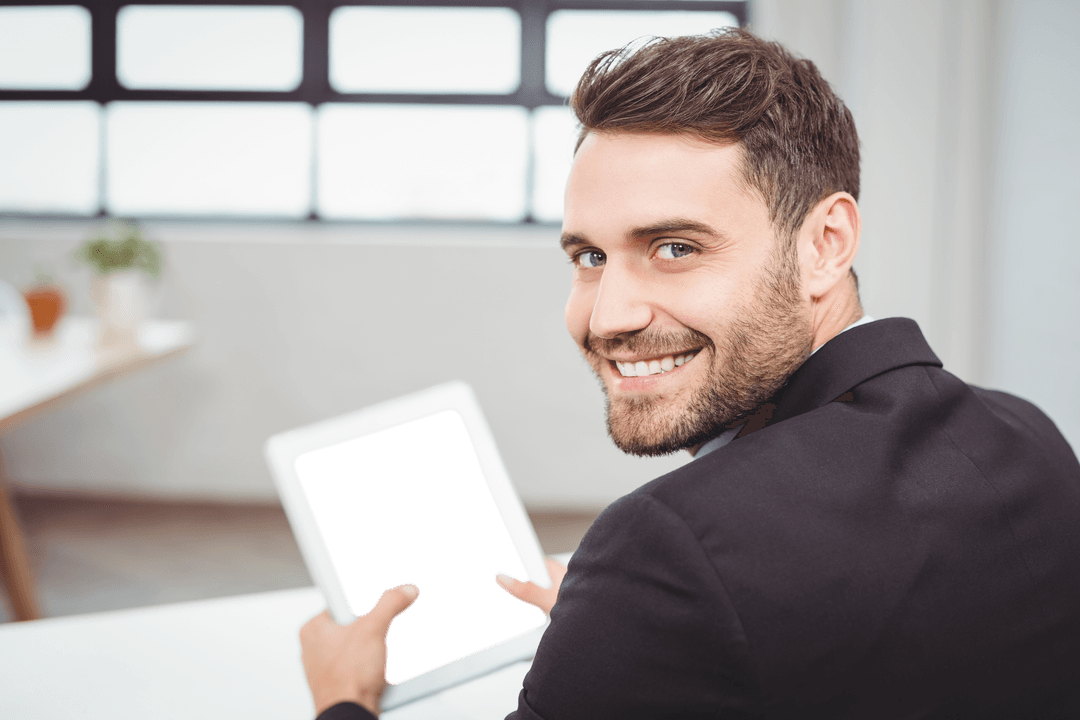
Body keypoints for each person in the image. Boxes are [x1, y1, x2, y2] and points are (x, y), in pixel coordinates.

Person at [299, 28, 1080, 719]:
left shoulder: (667, 546)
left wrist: (344, 697)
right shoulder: (1026, 435)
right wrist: (637, 627)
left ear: (825, 244)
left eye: (675, 248)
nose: (607, 317)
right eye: (589, 256)